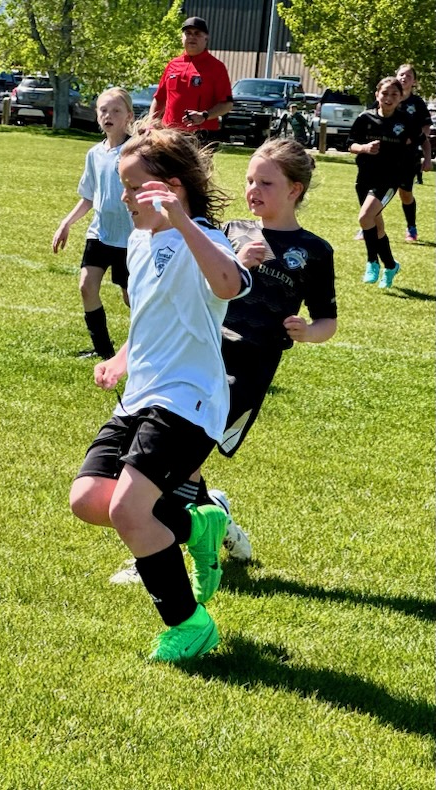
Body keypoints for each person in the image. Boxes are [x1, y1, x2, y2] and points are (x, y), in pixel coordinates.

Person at [111, 139, 338, 586]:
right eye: (250, 180)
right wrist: (238, 262)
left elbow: (328, 319)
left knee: (180, 459)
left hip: (249, 369)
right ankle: (191, 528)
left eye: (266, 183)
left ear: (295, 189)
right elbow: (202, 279)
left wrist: (308, 331)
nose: (253, 190)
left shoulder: (314, 250)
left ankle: (190, 527)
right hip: (201, 355)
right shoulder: (231, 231)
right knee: (178, 458)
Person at [68, 125, 251, 663]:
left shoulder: (206, 240)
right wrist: (122, 357)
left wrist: (182, 221)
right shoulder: (140, 242)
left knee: (130, 511)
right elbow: (153, 316)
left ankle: (189, 625)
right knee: (88, 499)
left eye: (132, 187)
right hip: (141, 395)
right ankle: (198, 523)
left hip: (188, 401)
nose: (123, 198)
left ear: (170, 188)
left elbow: (229, 285)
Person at [52, 87, 134, 360]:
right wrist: (66, 223)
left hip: (130, 238)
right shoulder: (94, 154)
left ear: (129, 116)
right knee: (86, 286)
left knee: (132, 299)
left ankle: (145, 350)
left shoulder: (135, 152)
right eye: (103, 110)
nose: (108, 115)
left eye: (116, 111)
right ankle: (103, 351)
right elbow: (88, 197)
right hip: (100, 233)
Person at [349, 77, 424, 289]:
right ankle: (391, 266)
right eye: (385, 93)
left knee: (365, 217)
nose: (388, 98)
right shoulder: (365, 118)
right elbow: (350, 144)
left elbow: (421, 139)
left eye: (394, 94)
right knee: (376, 226)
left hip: (390, 179)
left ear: (400, 98)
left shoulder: (406, 121)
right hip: (365, 178)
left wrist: (422, 159)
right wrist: (364, 148)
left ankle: (371, 262)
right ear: (377, 95)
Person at [149, 16, 232, 139]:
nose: (192, 37)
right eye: (188, 33)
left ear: (206, 38)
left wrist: (204, 115)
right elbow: (159, 99)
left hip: (201, 134)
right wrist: (151, 124)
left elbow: (227, 104)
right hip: (170, 133)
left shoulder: (216, 67)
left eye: (197, 33)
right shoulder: (172, 64)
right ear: (182, 37)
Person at [392, 64, 432, 242]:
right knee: (377, 191)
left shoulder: (417, 103)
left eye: (409, 76)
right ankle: (368, 224)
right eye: (401, 74)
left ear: (414, 81)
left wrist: (417, 141)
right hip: (386, 154)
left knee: (405, 193)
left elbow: (426, 127)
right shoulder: (387, 96)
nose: (404, 78)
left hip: (408, 156)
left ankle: (411, 227)